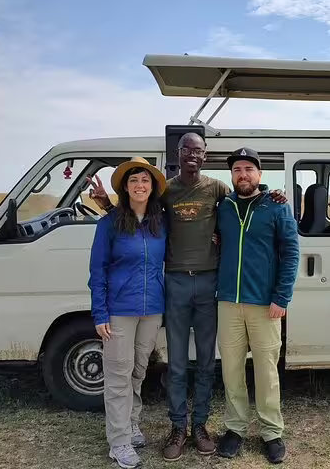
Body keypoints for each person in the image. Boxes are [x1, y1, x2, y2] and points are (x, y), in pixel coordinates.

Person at [86, 133, 287, 462]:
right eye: (186, 150)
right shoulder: (165, 191)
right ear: (177, 154)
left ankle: (201, 425)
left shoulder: (218, 188)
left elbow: (246, 198)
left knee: (207, 362)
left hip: (210, 286)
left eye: (198, 150)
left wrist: (273, 194)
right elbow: (135, 218)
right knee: (177, 363)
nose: (192, 155)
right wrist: (108, 206)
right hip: (176, 283)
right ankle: (178, 428)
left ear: (205, 155)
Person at [214, 147, 300, 464]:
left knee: (266, 372)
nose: (243, 174)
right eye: (237, 169)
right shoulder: (223, 207)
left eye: (249, 169)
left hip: (265, 305)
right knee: (231, 370)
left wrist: (282, 297)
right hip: (228, 302)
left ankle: (271, 433)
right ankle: (235, 429)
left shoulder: (277, 207)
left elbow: (291, 254)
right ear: (232, 175)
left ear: (259, 175)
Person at [87, 156, 168, 469]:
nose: (140, 185)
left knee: (138, 371)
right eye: (134, 180)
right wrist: (100, 314)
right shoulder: (109, 224)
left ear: (152, 187)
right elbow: (98, 270)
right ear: (125, 187)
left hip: (151, 310)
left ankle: (131, 423)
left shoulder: (160, 223)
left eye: (145, 180)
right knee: (119, 376)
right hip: (119, 311)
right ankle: (119, 441)